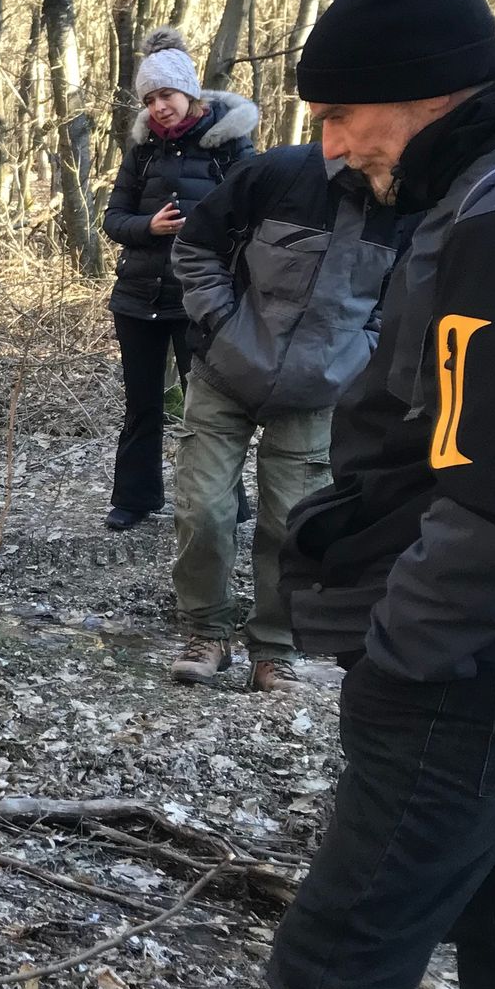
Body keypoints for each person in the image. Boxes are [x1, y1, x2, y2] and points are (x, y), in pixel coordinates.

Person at [227, 0, 495, 989]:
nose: (328, 146)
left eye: (337, 115)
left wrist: (403, 659)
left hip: (478, 660)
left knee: (338, 960)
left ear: (421, 91)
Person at [166, 143, 400, 691]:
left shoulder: (414, 205)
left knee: (292, 524)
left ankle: (274, 649)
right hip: (224, 372)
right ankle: (206, 631)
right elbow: (195, 246)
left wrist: (360, 355)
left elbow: (400, 301)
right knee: (204, 508)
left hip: (321, 388)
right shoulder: (278, 172)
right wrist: (220, 322)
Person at [100, 29, 257, 530]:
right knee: (141, 404)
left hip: (202, 299)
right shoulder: (143, 150)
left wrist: (209, 237)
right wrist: (148, 227)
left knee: (209, 407)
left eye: (165, 95)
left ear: (188, 90)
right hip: (137, 296)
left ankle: (223, 503)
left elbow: (252, 218)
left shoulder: (230, 146)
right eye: (149, 100)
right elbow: (113, 218)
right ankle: (134, 499)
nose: (158, 107)